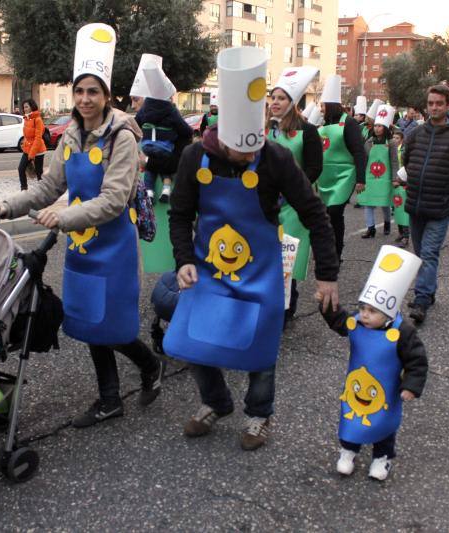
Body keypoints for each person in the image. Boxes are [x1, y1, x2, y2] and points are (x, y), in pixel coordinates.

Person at [165, 47, 339, 451]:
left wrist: (327, 274)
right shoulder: (195, 156)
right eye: (240, 151)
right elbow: (179, 215)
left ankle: (259, 414)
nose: (248, 157)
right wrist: (184, 260)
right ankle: (216, 401)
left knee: (262, 346)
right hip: (209, 268)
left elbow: (315, 214)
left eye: (253, 149)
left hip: (261, 271)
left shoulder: (274, 158)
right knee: (191, 339)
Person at [0, 23, 163, 428]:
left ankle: (148, 365)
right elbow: (49, 187)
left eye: (93, 91)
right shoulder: (68, 136)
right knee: (87, 324)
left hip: (114, 249)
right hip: (81, 250)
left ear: (107, 96)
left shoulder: (122, 138)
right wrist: (9, 205)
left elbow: (114, 200)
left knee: (111, 325)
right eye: (79, 91)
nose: (85, 99)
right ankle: (110, 398)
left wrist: (63, 217)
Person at [321, 246, 427, 481]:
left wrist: (411, 385)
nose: (364, 315)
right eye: (362, 308)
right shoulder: (357, 323)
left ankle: (382, 457)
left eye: (372, 311)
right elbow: (338, 321)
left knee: (383, 425)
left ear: (389, 313)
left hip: (386, 392)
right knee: (350, 417)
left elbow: (417, 360)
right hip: (355, 388)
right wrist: (326, 304)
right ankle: (348, 449)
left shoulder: (403, 332)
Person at [403, 84, 449, 324]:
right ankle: (428, 292)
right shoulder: (415, 134)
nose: (434, 107)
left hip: (439, 207)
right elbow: (407, 158)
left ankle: (421, 299)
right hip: (416, 205)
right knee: (420, 253)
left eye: (439, 103)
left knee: (430, 253)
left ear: (448, 105)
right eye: (431, 103)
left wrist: (445, 188)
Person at [266, 66, 323, 323]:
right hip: (265, 201)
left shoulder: (308, 131)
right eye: (273, 97)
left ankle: (286, 308)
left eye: (281, 98)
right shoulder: (263, 128)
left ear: (293, 102)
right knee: (264, 254)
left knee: (288, 256)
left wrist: (293, 190)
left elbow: (314, 167)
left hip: (293, 205)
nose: (275, 102)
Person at [318, 75, 367, 261]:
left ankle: (336, 253)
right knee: (325, 216)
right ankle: (326, 250)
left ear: (330, 105)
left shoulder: (350, 123)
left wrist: (360, 178)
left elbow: (358, 152)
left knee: (335, 213)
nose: (320, 109)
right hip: (325, 176)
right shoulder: (324, 125)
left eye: (323, 105)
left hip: (344, 176)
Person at [135, 60, 193, 203]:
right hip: (166, 149)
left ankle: (149, 192)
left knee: (151, 171)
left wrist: (145, 158)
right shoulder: (171, 111)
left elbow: (134, 125)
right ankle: (166, 189)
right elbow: (187, 131)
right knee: (165, 171)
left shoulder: (144, 111)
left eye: (135, 99)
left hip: (148, 148)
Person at [358, 105, 398, 239]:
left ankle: (387, 223)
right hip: (370, 178)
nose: (377, 128)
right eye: (375, 126)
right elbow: (364, 161)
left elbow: (394, 161)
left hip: (385, 178)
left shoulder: (391, 143)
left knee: (385, 203)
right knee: (368, 203)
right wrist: (361, 178)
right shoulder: (369, 142)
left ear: (385, 128)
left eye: (380, 126)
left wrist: (394, 178)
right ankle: (371, 228)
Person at [17, 98, 46, 191]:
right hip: (27, 149)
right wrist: (24, 145)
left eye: (26, 107)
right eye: (24, 107)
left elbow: (38, 138)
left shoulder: (37, 120)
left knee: (39, 172)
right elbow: (27, 136)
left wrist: (32, 153)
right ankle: (24, 189)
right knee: (21, 169)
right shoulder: (26, 119)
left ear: (32, 107)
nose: (25, 109)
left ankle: (43, 191)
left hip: (38, 150)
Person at [391, 130, 410, 247]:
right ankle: (400, 233)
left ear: (402, 140)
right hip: (395, 180)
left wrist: (401, 180)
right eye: (393, 137)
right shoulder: (391, 148)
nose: (395, 140)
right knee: (397, 208)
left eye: (397, 138)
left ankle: (406, 236)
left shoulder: (405, 150)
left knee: (404, 211)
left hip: (404, 179)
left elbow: (407, 165)